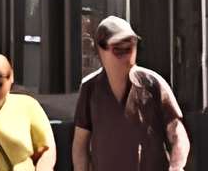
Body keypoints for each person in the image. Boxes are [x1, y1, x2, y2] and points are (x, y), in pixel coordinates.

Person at [71, 17, 188, 171]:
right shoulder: (90, 88)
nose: (127, 56)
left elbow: (178, 134)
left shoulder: (152, 83)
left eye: (130, 48)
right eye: (119, 49)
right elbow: (80, 146)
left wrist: (176, 167)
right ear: (101, 51)